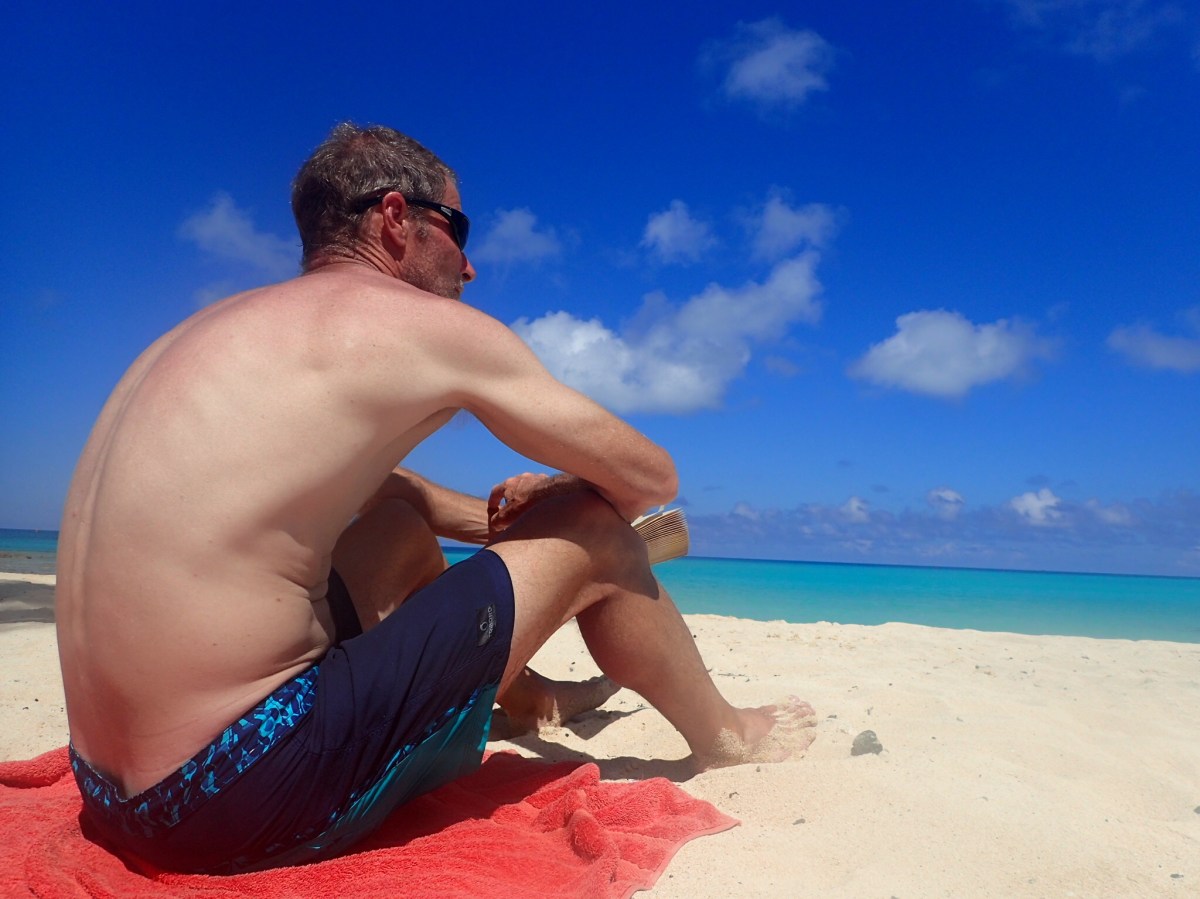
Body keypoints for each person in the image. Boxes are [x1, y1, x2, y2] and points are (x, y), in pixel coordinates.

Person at [55, 123, 816, 874]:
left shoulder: (204, 334)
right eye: (459, 228)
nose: (471, 266)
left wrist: (508, 531)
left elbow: (391, 491)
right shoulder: (423, 327)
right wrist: (563, 502)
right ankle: (726, 733)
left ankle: (528, 697)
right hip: (237, 794)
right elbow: (651, 479)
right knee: (594, 528)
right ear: (395, 218)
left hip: (113, 792)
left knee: (394, 527)